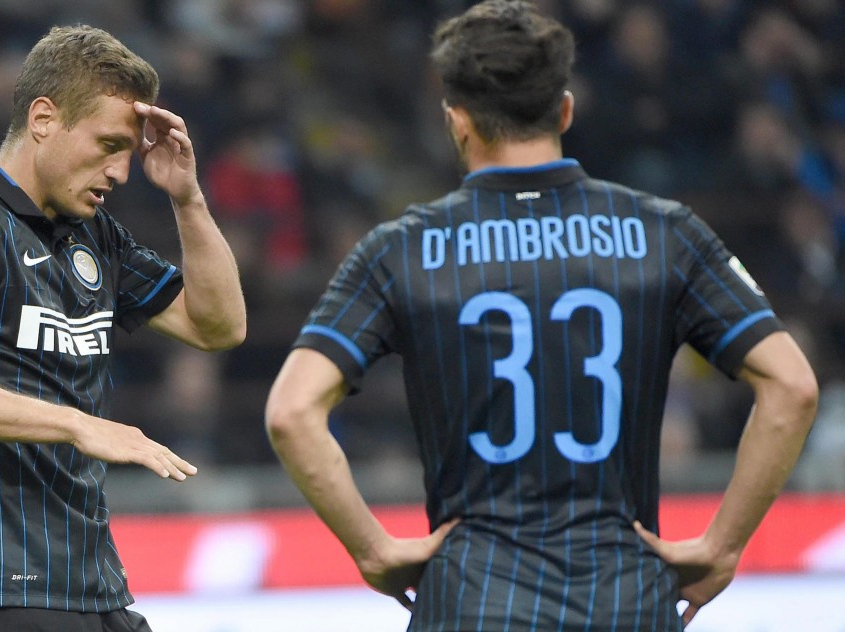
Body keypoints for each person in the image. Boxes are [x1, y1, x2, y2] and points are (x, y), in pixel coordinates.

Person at [264, 2, 818, 630]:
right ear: (565, 110)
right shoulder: (665, 234)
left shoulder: (401, 250)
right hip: (626, 600)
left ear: (457, 121)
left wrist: (372, 549)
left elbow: (291, 412)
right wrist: (723, 545)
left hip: (472, 602)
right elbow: (792, 386)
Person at [0, 25, 245, 632]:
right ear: (44, 119)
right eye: (108, 145)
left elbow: (219, 326)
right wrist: (79, 425)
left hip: (93, 588)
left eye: (127, 152)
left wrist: (187, 199)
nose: (122, 172)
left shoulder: (94, 237)